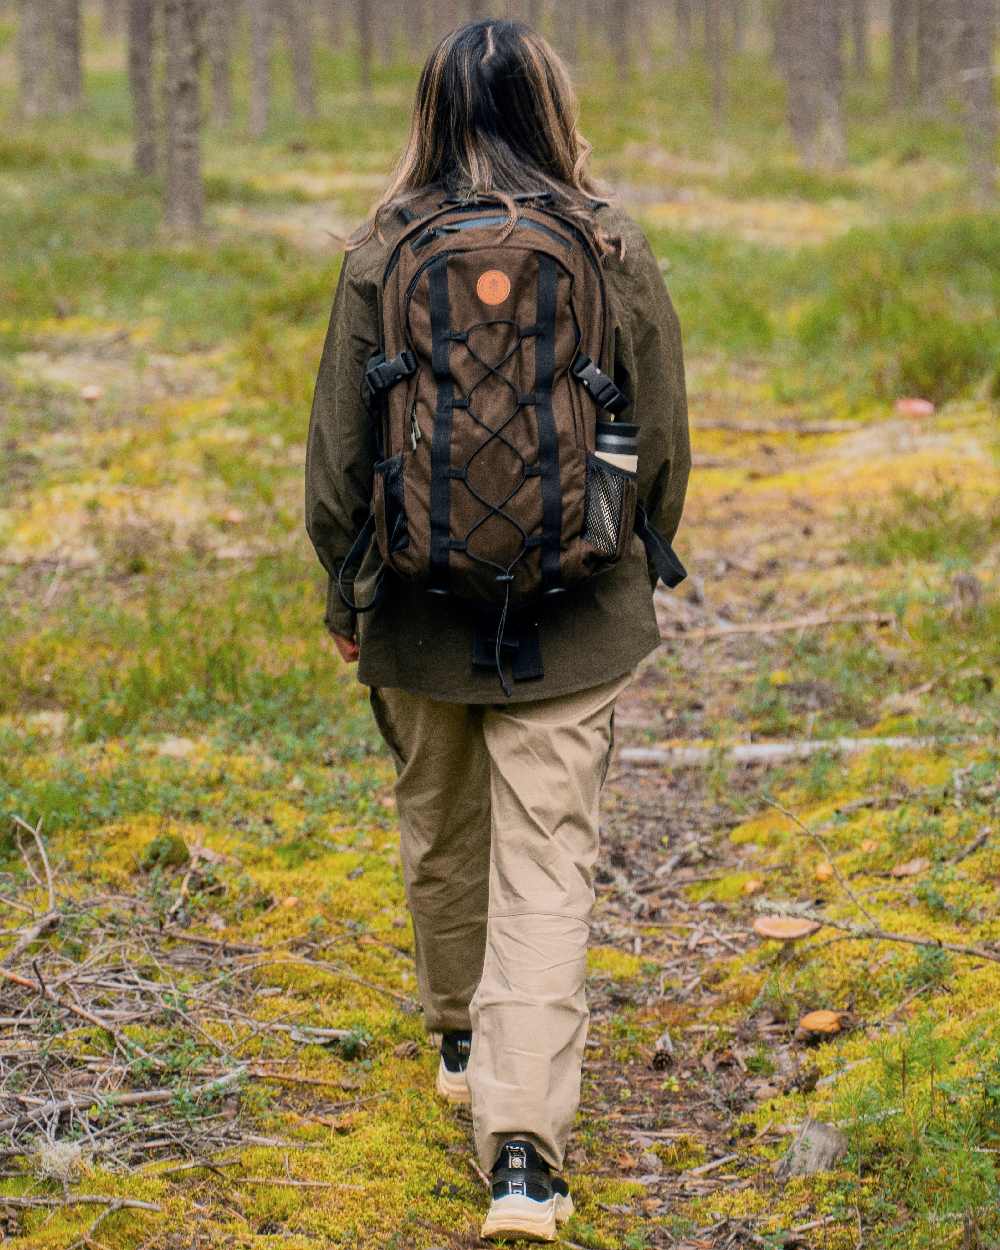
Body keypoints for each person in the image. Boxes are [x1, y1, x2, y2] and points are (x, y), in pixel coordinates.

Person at [305, 18, 690, 1243]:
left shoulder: (381, 247)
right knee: (547, 855)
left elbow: (337, 454)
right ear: (552, 109)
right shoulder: (609, 241)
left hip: (415, 606)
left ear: (426, 114)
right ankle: (524, 1155)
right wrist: (634, 545)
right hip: (575, 610)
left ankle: (462, 1036)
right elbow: (657, 424)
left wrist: (343, 587)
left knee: (440, 817)